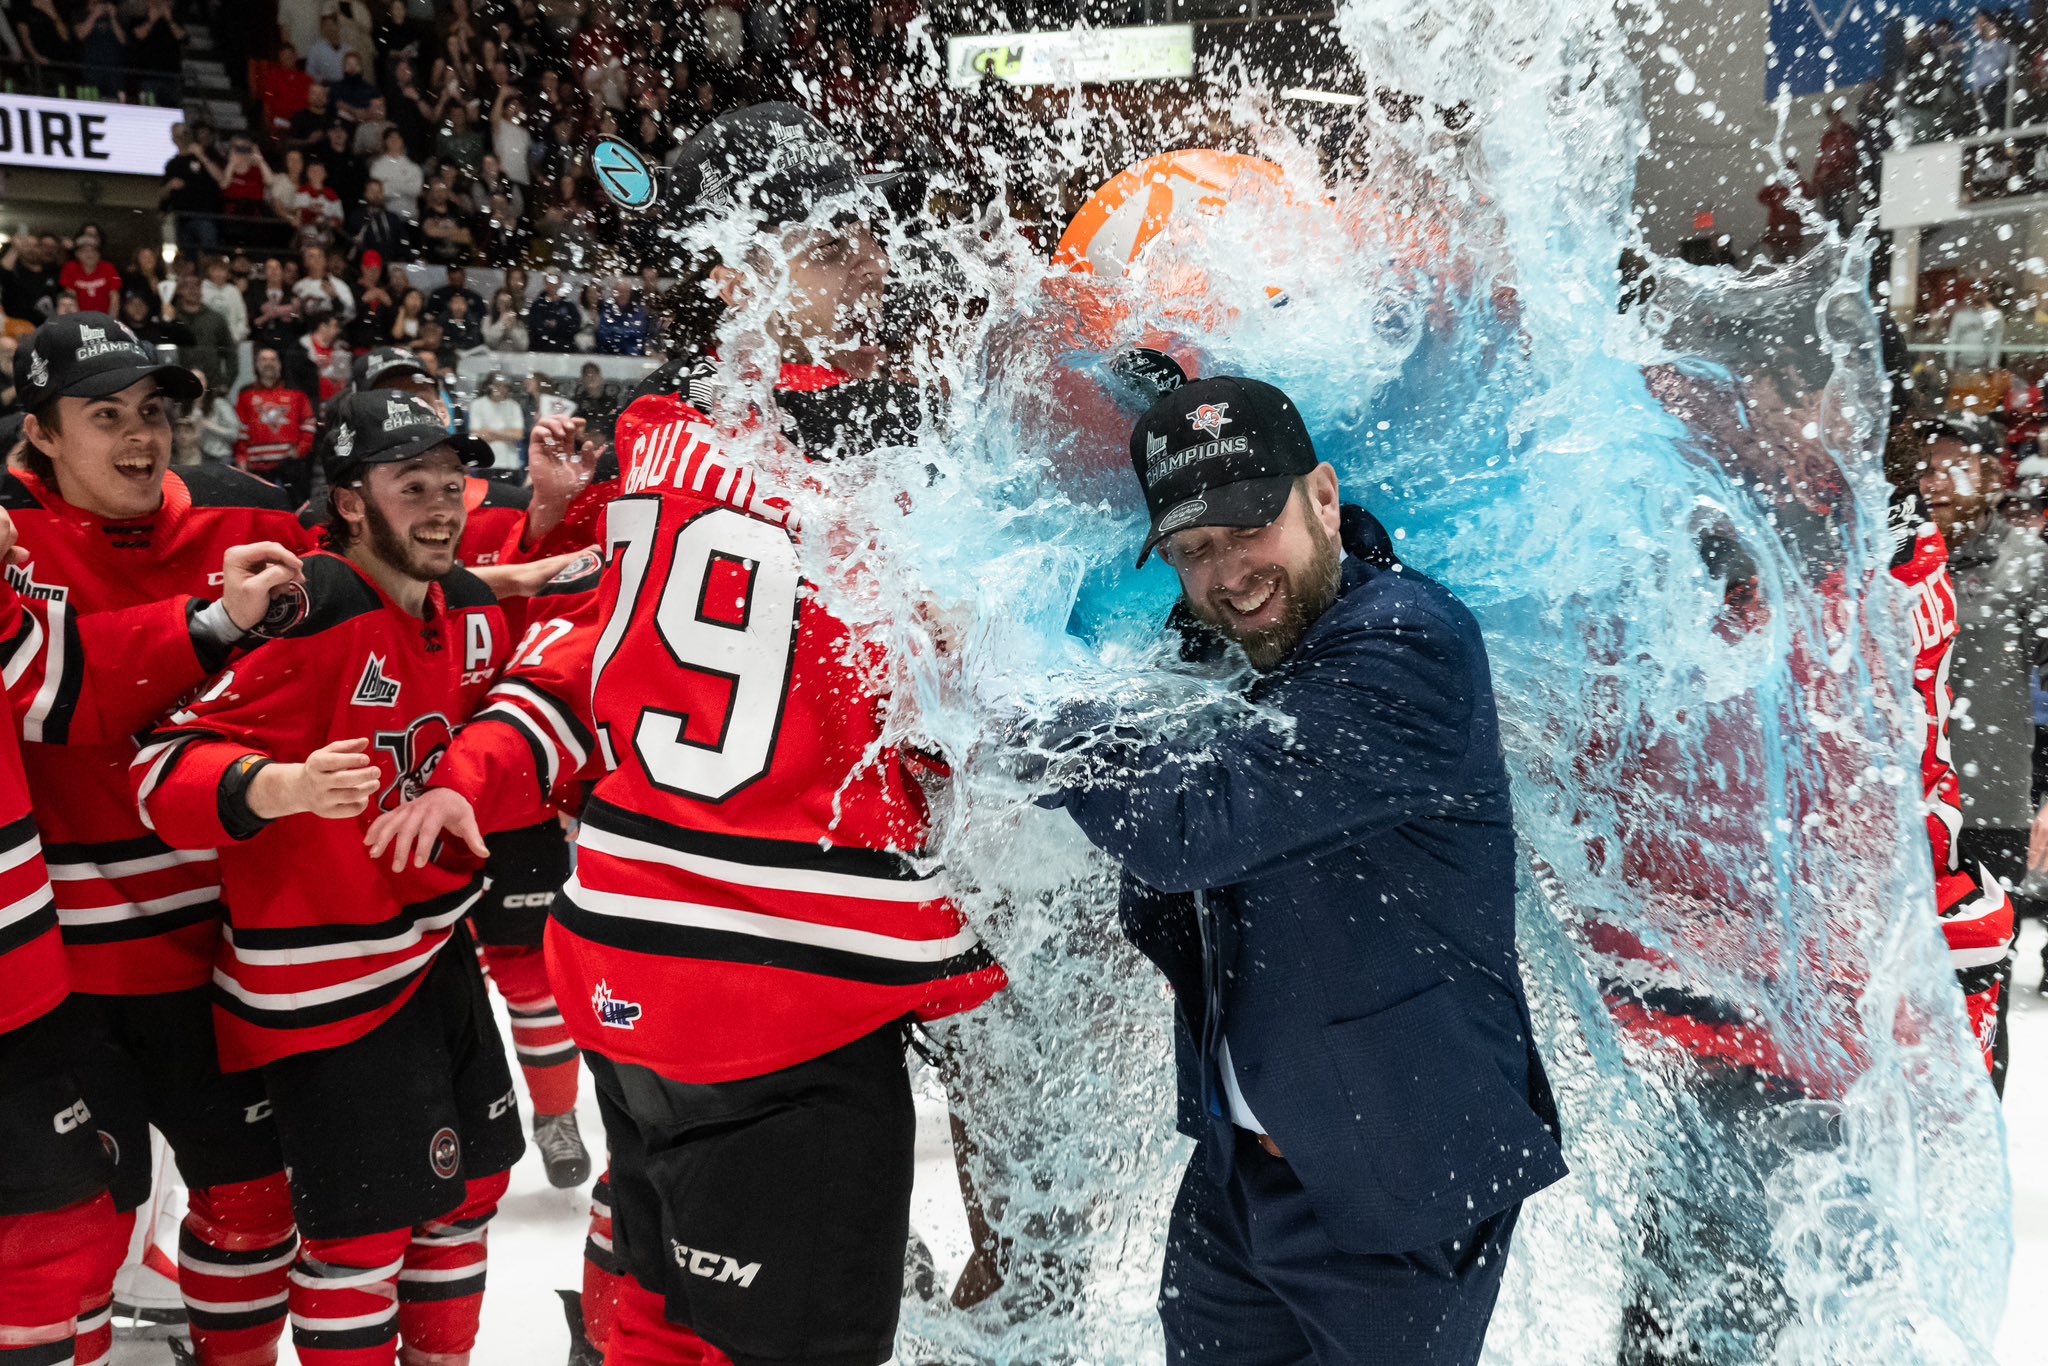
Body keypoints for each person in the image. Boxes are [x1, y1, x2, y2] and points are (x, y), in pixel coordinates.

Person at [368, 102, 1008, 1366]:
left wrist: (482, 765)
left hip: (616, 962)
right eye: (824, 244)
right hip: (783, 991)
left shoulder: (656, 432)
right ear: (730, 271)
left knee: (652, 1302)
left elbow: (604, 647)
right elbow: (957, 695)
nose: (868, 262)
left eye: (857, 233)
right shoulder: (886, 452)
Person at [1024, 374, 1565, 1364]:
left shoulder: (1408, 642)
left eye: (1246, 529)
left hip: (1397, 1181)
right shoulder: (1228, 647)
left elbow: (1186, 822)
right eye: (1194, 552)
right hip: (1237, 1175)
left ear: (1321, 496)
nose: (1228, 574)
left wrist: (1003, 703)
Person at [131, 389, 523, 1366]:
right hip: (328, 978)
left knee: (471, 1192)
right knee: (359, 1239)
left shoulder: (456, 604)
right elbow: (157, 766)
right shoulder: (316, 604)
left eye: (449, 482)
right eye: (409, 485)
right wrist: (281, 786)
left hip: (433, 948)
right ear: (350, 500)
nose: (441, 505)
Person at [9, 312, 319, 1365]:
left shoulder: (245, 518)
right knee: (77, 1234)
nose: (141, 438)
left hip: (218, 959)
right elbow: (58, 691)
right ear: (41, 434)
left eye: (153, 411)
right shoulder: (6, 534)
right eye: (105, 416)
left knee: (253, 1206)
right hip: (53, 980)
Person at [235, 346, 319, 504]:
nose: (269, 363)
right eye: (264, 359)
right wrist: (242, 457)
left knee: (295, 510)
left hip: (290, 466)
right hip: (257, 468)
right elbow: (240, 429)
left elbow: (309, 423)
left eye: (273, 359)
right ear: (257, 365)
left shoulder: (296, 393)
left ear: (280, 364)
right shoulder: (245, 394)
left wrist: (301, 449)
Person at [168, 275, 236, 400]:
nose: (193, 290)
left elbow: (230, 352)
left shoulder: (216, 318)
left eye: (196, 286)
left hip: (212, 387)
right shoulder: (170, 317)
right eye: (187, 286)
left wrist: (226, 383)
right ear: (179, 290)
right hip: (178, 387)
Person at [468, 370, 527, 468]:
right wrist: (507, 434)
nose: (501, 389)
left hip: (510, 463)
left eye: (504, 386)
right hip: (485, 462)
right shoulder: (477, 405)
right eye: (498, 385)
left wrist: (491, 432)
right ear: (490, 386)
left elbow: (518, 435)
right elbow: (476, 435)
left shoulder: (514, 406)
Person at [58, 240, 122, 317]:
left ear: (99, 254)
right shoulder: (70, 268)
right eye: (85, 251)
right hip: (80, 317)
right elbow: (71, 296)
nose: (90, 254)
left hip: (104, 317)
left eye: (94, 250)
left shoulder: (109, 267)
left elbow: (114, 296)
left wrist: (111, 322)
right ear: (77, 254)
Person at [482, 287, 529, 351]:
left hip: (514, 359)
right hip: (493, 359)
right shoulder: (487, 320)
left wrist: (513, 329)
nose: (504, 306)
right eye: (501, 302)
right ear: (496, 303)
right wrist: (501, 323)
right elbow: (489, 343)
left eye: (507, 303)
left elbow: (523, 346)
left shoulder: (519, 323)